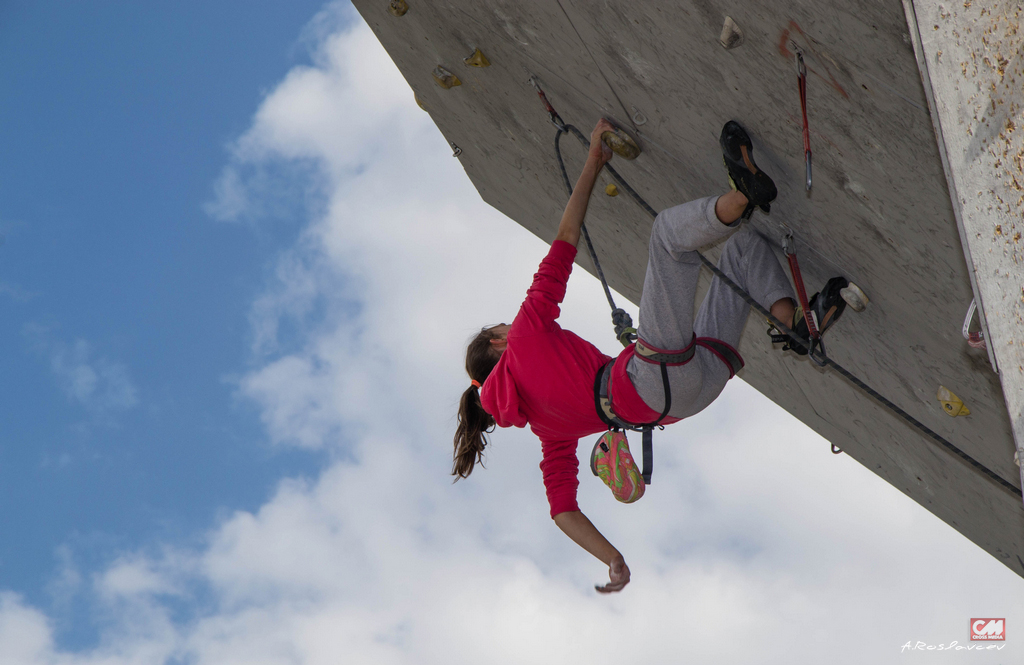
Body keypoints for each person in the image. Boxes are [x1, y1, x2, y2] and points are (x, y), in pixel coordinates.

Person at [453, 118, 848, 593]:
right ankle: (744, 193)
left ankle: (796, 327)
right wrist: (593, 162)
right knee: (666, 236)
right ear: (499, 343)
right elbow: (564, 240)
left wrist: (614, 558)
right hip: (651, 377)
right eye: (503, 327)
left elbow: (562, 511)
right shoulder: (524, 338)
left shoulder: (545, 431)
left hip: (689, 394)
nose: (510, 326)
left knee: (743, 252)